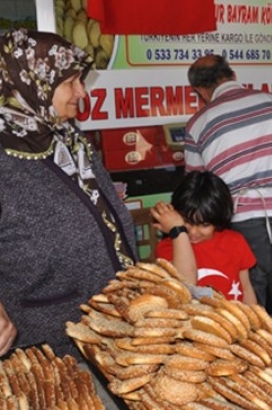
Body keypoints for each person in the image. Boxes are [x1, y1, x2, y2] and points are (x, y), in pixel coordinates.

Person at [0, 29, 137, 358]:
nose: (81, 92)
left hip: (115, 327)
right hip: (51, 344)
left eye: (81, 79)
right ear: (31, 81)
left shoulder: (69, 138)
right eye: (69, 81)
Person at [185, 55, 272, 340]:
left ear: (199, 91)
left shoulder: (198, 123)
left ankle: (260, 377)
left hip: (242, 226)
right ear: (232, 74)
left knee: (249, 317)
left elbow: (199, 189)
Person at [152, 171, 257, 303]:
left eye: (204, 224)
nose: (193, 232)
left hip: (233, 320)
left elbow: (246, 288)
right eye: (187, 222)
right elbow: (187, 282)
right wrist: (177, 231)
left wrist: (255, 320)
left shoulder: (236, 241)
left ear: (218, 220)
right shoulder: (169, 247)